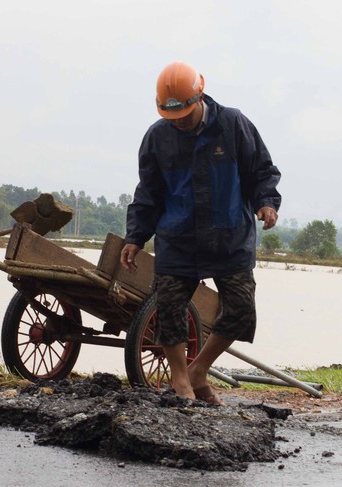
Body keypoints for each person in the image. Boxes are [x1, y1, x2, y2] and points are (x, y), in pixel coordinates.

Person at [120, 61, 281, 405]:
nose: (178, 122)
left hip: (229, 236)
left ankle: (198, 370)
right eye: (171, 116)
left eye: (184, 115)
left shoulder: (233, 124)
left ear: (200, 97)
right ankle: (180, 379)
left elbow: (261, 170)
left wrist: (266, 201)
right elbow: (148, 193)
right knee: (169, 308)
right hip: (178, 238)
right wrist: (135, 237)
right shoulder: (157, 137)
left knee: (241, 309)